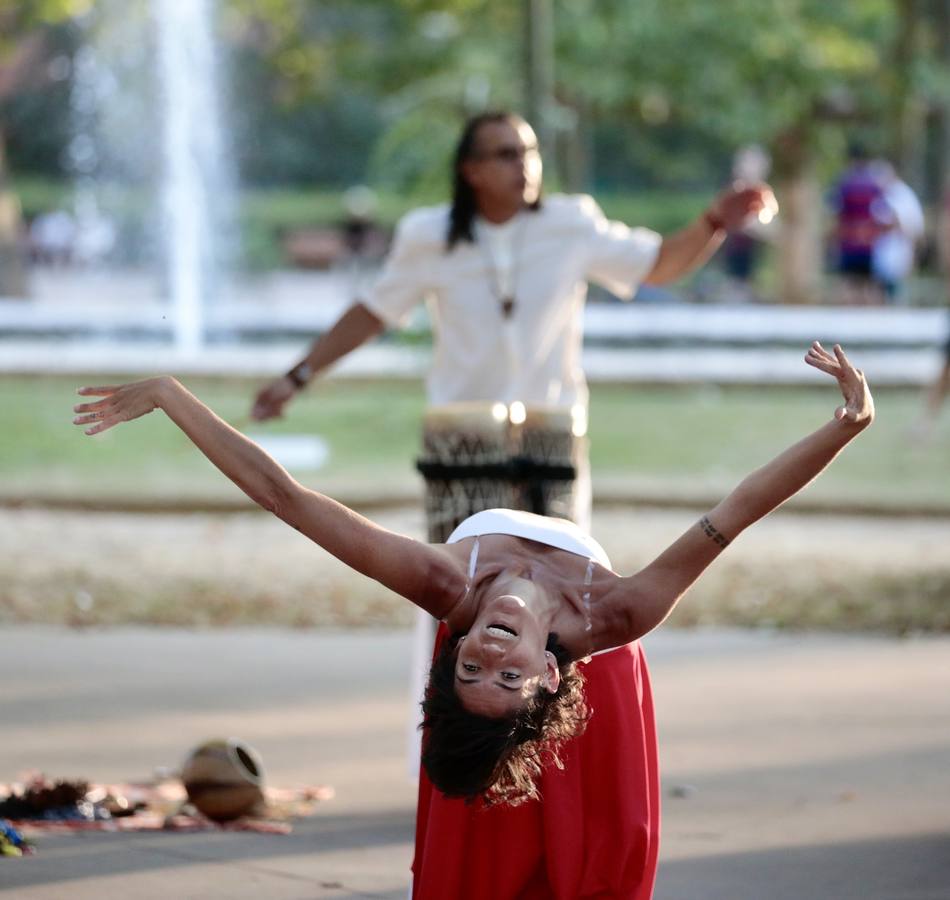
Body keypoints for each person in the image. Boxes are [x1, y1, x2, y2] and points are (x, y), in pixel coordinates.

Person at [73, 341, 873, 896]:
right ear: (548, 671)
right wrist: (843, 430)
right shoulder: (620, 612)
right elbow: (737, 512)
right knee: (496, 837)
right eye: (508, 674)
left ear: (450, 657)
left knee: (577, 853)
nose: (488, 653)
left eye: (470, 669)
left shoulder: (442, 586)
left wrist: (173, 396)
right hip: (605, 660)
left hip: (582, 675)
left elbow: (290, 502)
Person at [248, 109, 775, 897]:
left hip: (554, 438)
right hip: (461, 439)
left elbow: (661, 263)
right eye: (504, 154)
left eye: (528, 152)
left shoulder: (570, 223)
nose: (523, 166)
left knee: (557, 618)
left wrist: (713, 220)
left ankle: (547, 777)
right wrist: (296, 376)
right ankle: (452, 766)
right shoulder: (430, 234)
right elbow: (374, 311)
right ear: (470, 169)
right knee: (454, 610)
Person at [830, 143, 888, 305]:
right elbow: (882, 214)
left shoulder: (844, 184)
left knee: (847, 284)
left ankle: (846, 325)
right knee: (869, 286)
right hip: (868, 242)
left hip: (848, 241)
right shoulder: (874, 185)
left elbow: (836, 212)